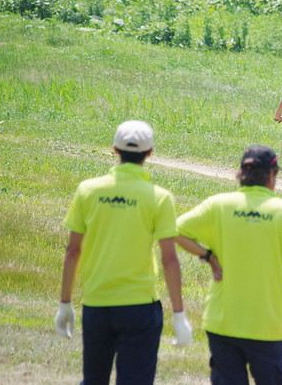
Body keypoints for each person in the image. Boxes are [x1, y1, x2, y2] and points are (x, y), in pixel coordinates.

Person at [175, 145, 282, 385]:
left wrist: (208, 256)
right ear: (272, 175)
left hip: (222, 321)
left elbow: (175, 230)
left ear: (241, 173)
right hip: (266, 325)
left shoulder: (218, 205)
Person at [54, 120, 192, 385]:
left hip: (97, 305)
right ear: (150, 153)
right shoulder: (159, 197)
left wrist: (64, 302)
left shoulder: (88, 190)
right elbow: (169, 259)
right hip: (139, 307)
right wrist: (178, 313)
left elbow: (73, 251)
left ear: (114, 150)